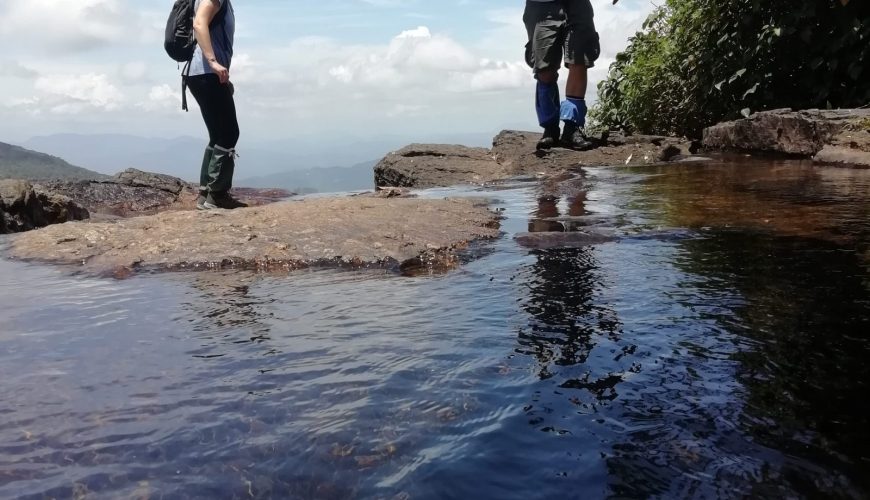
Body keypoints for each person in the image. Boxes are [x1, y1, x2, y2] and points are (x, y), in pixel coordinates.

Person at [187, 0, 246, 210]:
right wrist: (212, 62)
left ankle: (206, 194)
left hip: (199, 74)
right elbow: (199, 23)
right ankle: (217, 195)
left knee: (218, 134)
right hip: (206, 73)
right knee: (229, 133)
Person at [523, 0, 602, 151]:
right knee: (544, 70)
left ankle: (572, 128)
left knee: (579, 61)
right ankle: (550, 129)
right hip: (540, 6)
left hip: (578, 6)